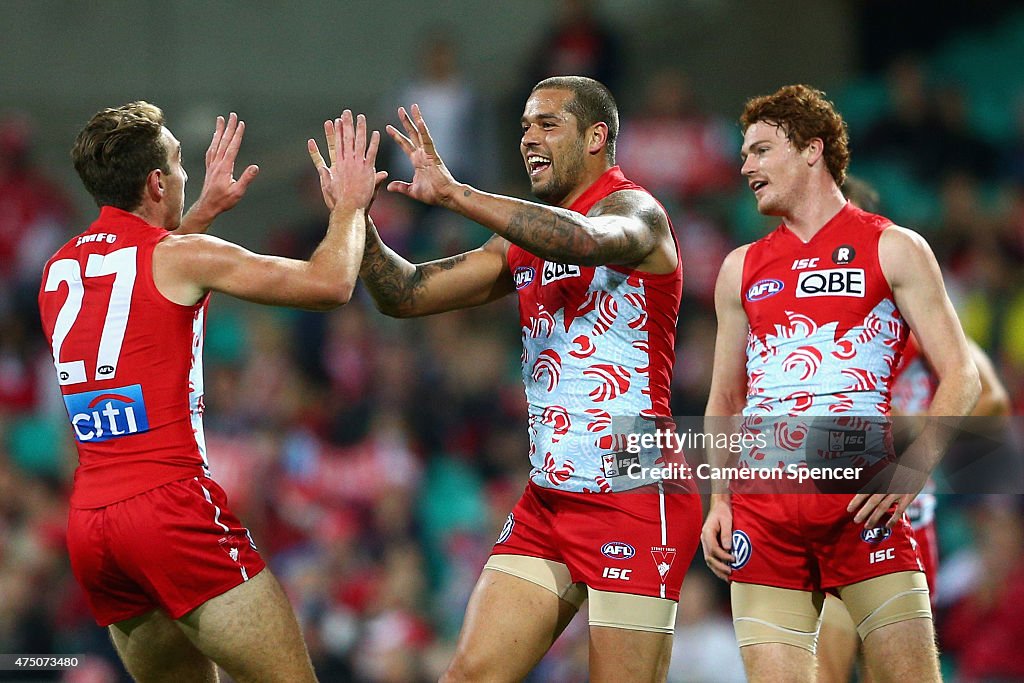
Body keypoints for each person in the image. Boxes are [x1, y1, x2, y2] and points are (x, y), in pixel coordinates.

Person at [328, 76, 702, 681]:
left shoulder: (637, 212)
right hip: (549, 500)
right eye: (525, 126)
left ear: (596, 138)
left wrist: (456, 195)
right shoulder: (523, 240)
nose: (530, 137)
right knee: (469, 675)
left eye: (548, 124)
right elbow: (404, 293)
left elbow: (585, 241)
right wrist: (356, 216)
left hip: (634, 492)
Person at [38, 102, 385, 682]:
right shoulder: (179, 254)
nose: (184, 174)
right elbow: (330, 283)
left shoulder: (57, 270)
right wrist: (350, 204)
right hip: (168, 507)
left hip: (94, 527)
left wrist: (198, 213)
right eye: (178, 163)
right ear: (155, 182)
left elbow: (135, 284)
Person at [700, 84, 981, 683]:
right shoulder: (739, 268)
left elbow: (964, 375)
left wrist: (912, 469)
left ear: (811, 150)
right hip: (762, 516)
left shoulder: (894, 248)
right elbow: (725, 399)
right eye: (743, 154)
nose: (745, 165)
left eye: (760, 150)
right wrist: (719, 500)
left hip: (862, 511)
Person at [814, 176, 1012, 683]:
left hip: (902, 525)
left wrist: (902, 431)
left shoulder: (910, 310)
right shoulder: (799, 327)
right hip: (827, 525)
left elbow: (988, 397)